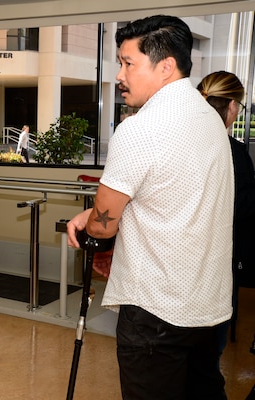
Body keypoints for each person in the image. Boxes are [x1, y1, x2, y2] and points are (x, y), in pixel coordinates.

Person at [66, 15, 234, 399]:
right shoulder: (210, 118)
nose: (120, 74)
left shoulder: (140, 129)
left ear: (165, 66)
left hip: (156, 309)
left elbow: (103, 227)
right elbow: (174, 197)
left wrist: (90, 222)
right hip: (206, 304)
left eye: (128, 63)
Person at [197, 71, 255, 356]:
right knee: (207, 354)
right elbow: (241, 208)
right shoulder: (233, 151)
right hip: (219, 261)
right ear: (232, 106)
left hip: (179, 260)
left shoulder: (181, 144)